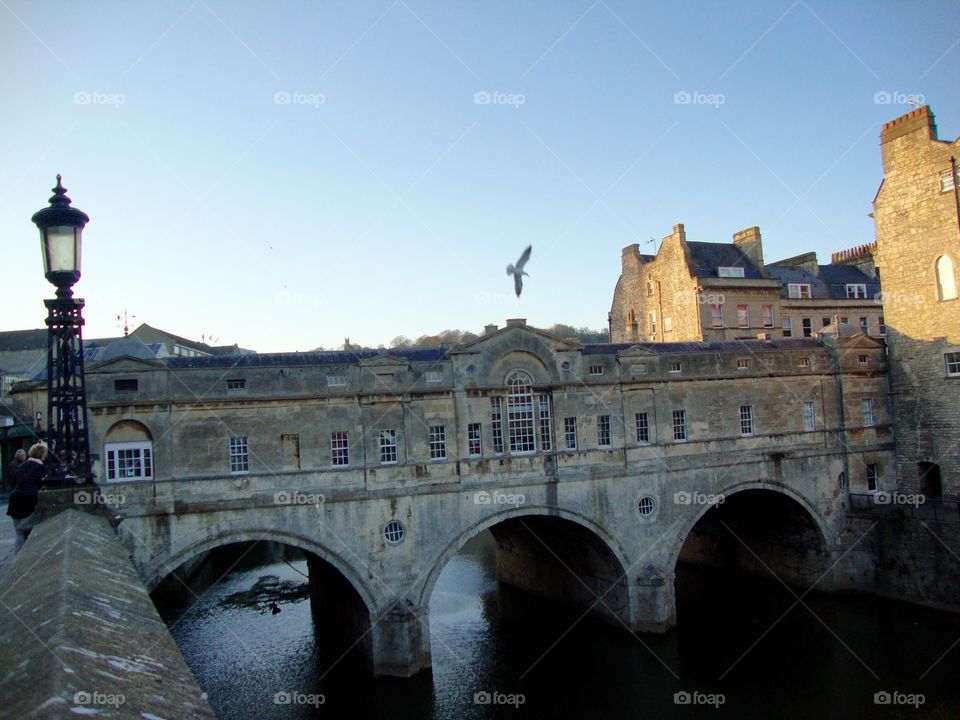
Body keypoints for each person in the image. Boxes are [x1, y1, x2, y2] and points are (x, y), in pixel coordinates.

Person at [6, 443, 49, 552]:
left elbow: (15, 482)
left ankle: (18, 561)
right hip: (29, 501)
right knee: (32, 532)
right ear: (42, 455)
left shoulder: (21, 466)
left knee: (19, 532)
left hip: (15, 501)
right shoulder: (41, 468)